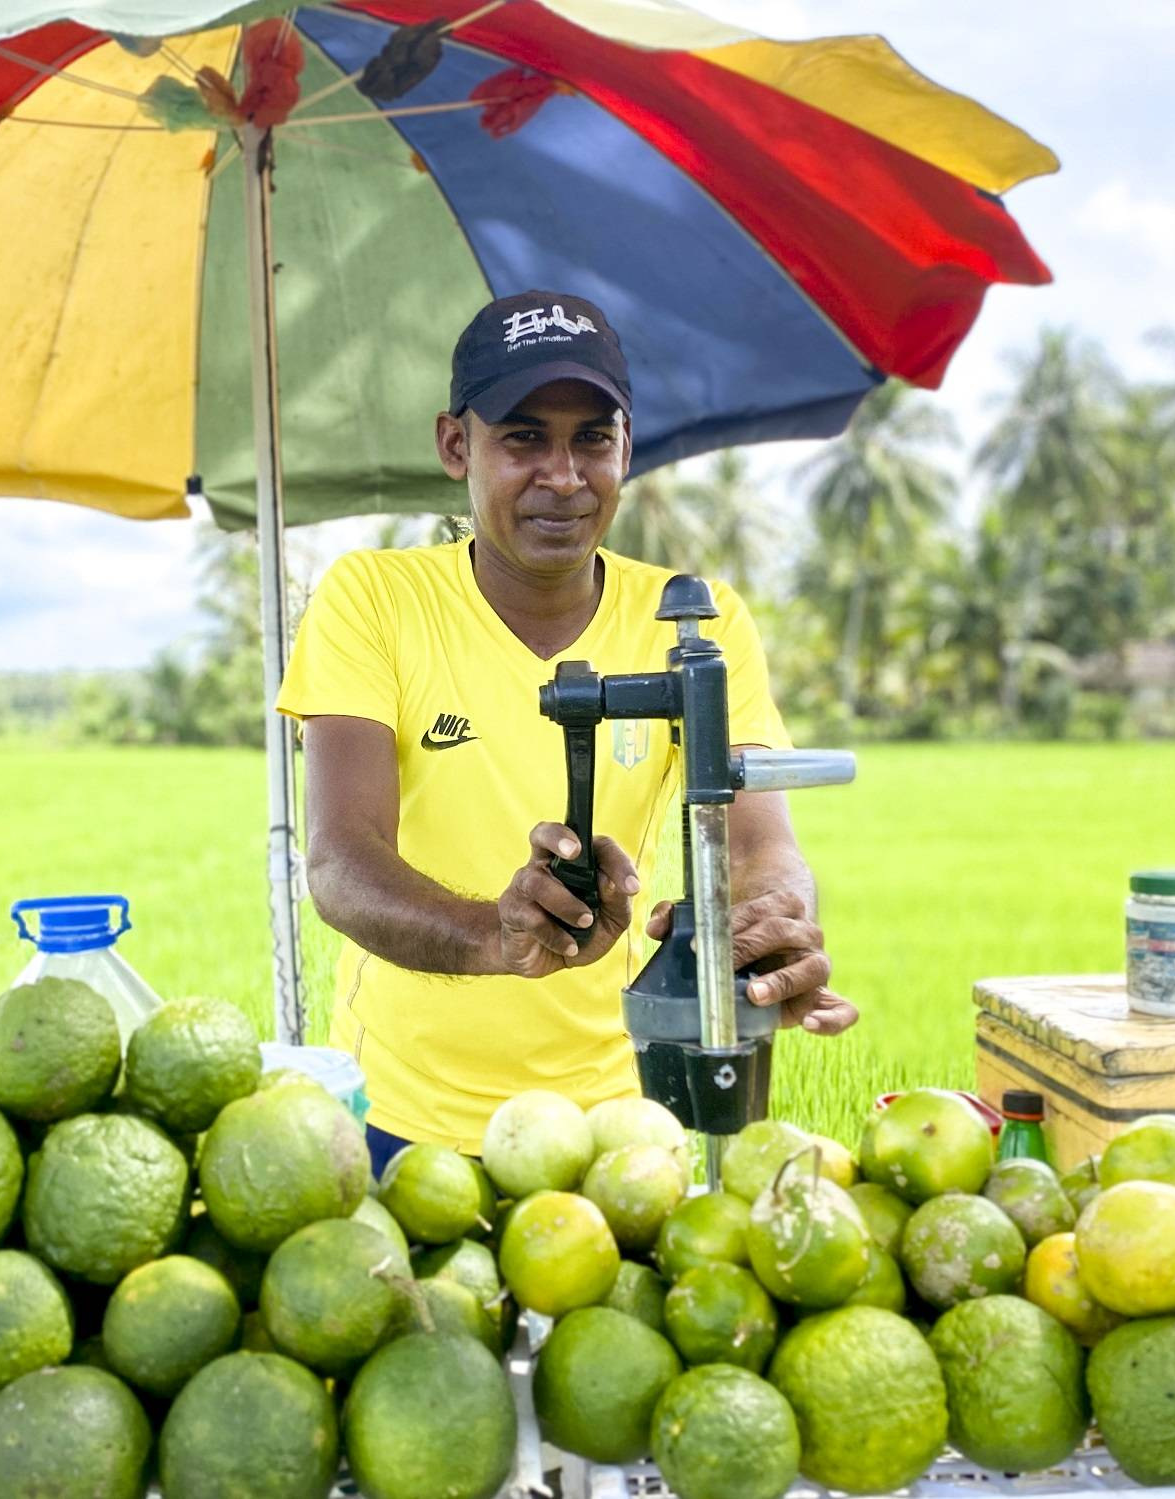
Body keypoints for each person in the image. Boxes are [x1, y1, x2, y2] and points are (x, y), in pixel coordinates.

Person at [276, 290, 857, 1178]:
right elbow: (339, 861)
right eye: (523, 437)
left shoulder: (696, 622)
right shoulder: (375, 600)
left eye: (593, 437)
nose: (563, 475)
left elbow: (760, 840)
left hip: (613, 1124)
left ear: (627, 446)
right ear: (454, 444)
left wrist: (773, 923)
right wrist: (492, 934)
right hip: (400, 1117)